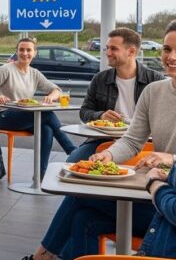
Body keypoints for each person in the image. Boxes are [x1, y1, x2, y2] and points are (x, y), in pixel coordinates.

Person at [0, 20, 176, 260]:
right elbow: (132, 140)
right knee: (82, 217)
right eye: (166, 49)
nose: (171, 57)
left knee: (79, 196)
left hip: (167, 207)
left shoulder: (148, 81)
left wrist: (171, 159)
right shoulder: (154, 91)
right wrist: (108, 154)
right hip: (152, 193)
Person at [0, 38, 77, 178]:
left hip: (26, 115)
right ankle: (72, 150)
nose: (25, 53)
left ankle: (39, 174)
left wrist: (51, 97)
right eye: (21, 50)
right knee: (47, 114)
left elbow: (56, 89)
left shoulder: (34, 73)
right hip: (5, 116)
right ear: (16, 52)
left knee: (46, 129)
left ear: (35, 53)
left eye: (28, 50)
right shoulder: (6, 70)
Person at [68, 28, 165, 162]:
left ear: (131, 51)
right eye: (107, 48)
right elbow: (84, 112)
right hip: (104, 138)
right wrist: (101, 115)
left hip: (144, 141)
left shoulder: (155, 80)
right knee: (72, 163)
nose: (108, 53)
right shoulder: (100, 79)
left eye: (113, 49)